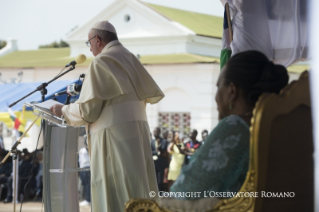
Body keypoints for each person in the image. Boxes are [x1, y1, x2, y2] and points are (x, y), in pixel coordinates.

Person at [50, 21, 164, 211]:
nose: (91, 49)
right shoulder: (131, 58)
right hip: (137, 138)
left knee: (116, 195)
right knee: (137, 189)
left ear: (98, 40)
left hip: (113, 140)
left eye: (89, 44)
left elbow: (88, 111)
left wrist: (64, 110)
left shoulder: (102, 61)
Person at [170, 50, 289, 199]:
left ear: (232, 91)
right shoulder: (283, 126)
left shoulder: (235, 127)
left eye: (218, 86)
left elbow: (184, 194)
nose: (215, 97)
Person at [151, 127, 169, 191]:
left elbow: (163, 150)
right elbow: (150, 151)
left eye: (156, 132)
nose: (155, 133)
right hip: (153, 164)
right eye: (154, 132)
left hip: (161, 164)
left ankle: (160, 193)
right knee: (153, 180)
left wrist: (159, 145)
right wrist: (157, 152)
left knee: (160, 180)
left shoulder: (163, 141)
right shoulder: (151, 141)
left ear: (159, 132)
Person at [78, 138, 91, 206]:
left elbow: (88, 149)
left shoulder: (88, 149)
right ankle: (87, 199)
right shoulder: (82, 149)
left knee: (87, 184)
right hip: (82, 168)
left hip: (87, 167)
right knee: (85, 184)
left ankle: (88, 200)